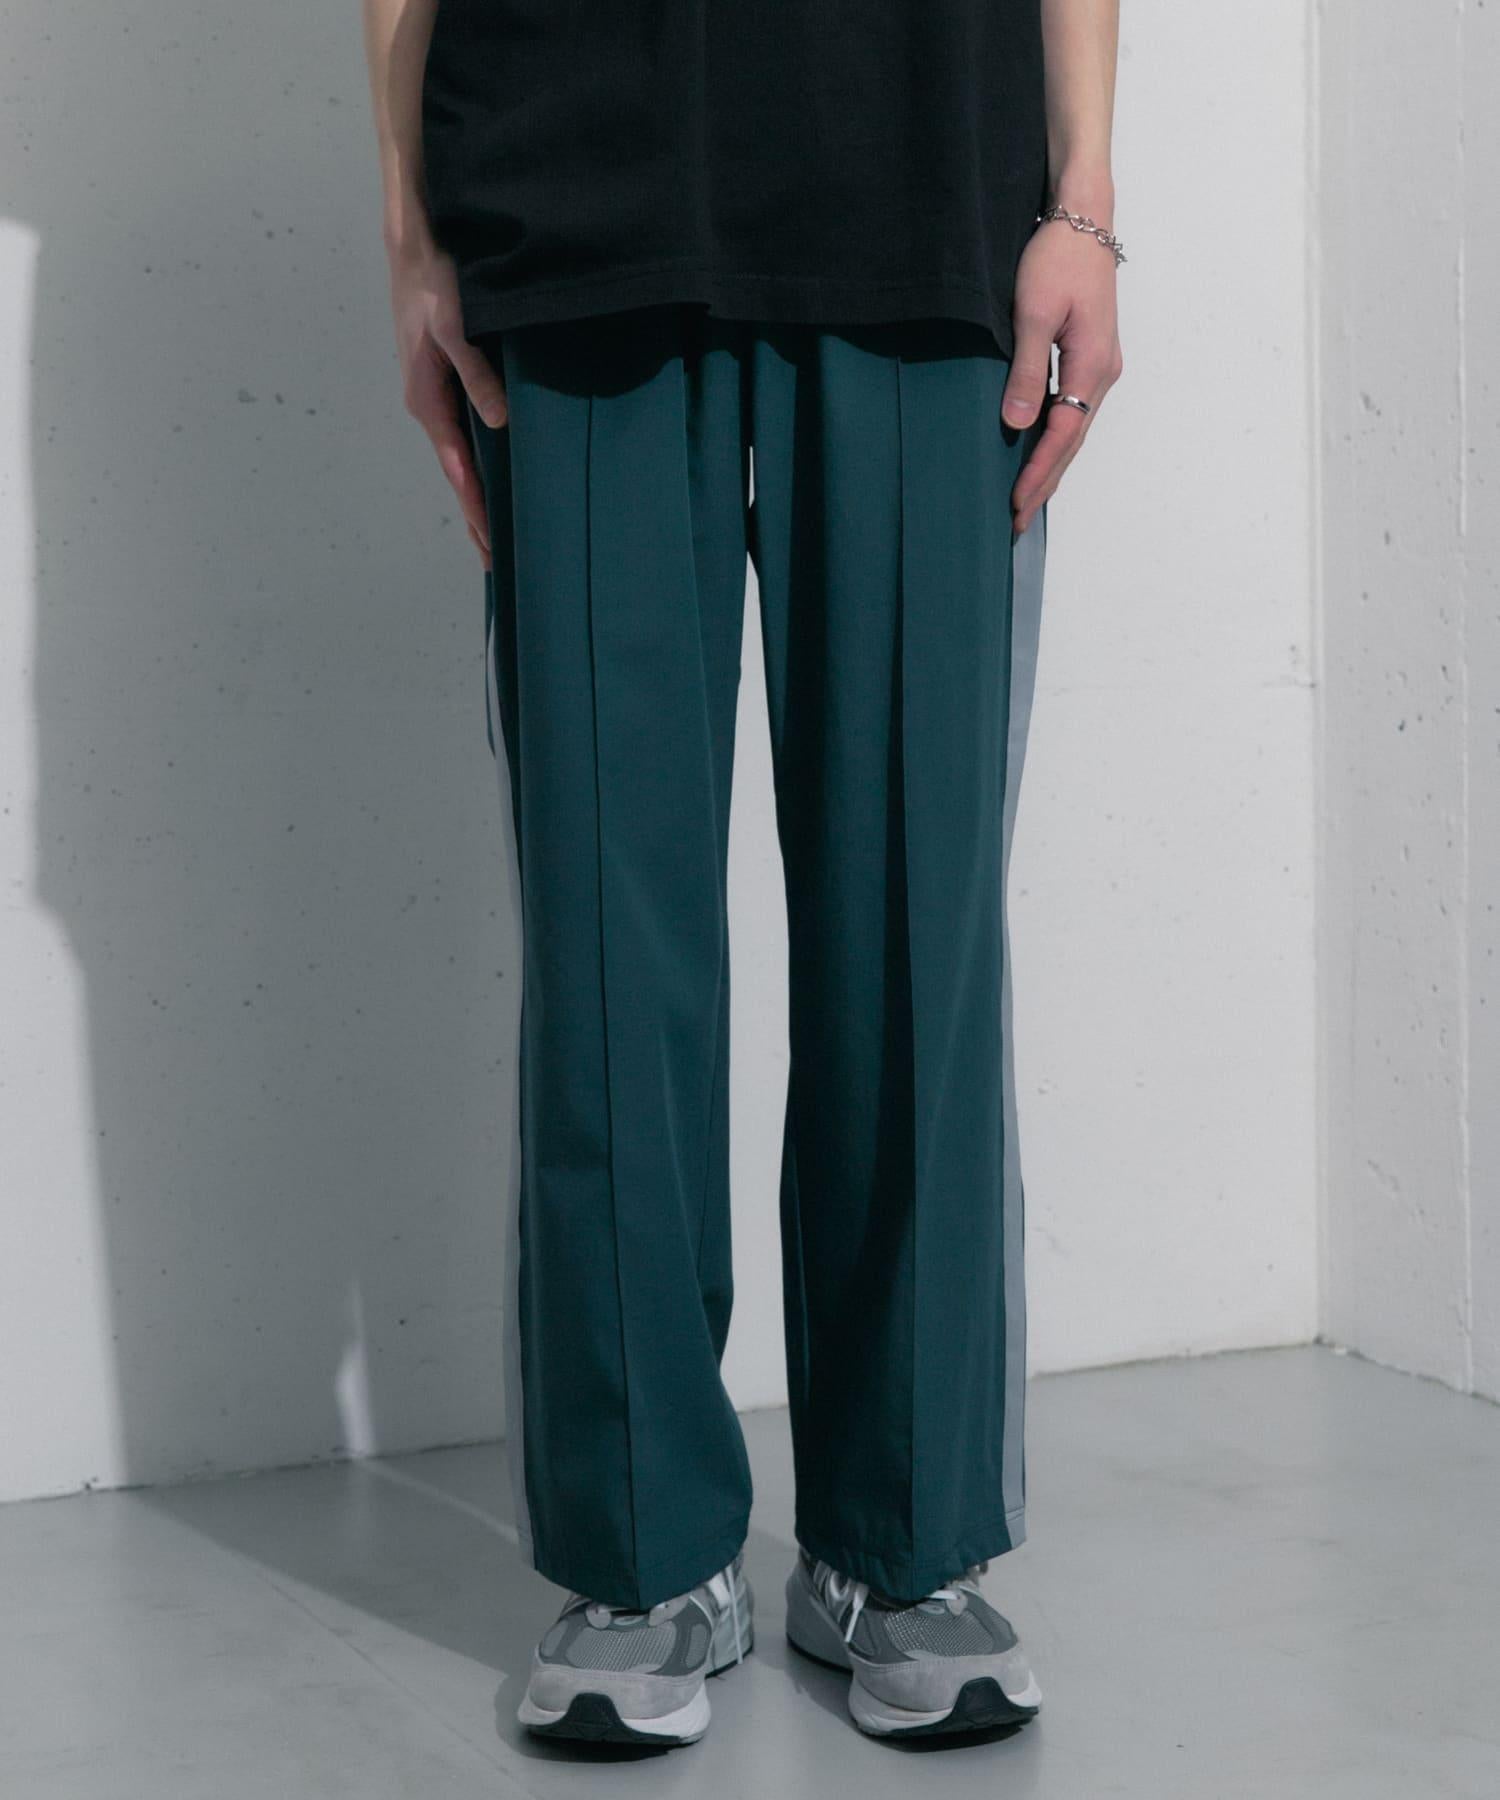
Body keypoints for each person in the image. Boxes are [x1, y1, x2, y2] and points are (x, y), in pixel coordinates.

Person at [362, 0, 1122, 1748]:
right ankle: (642, 1556)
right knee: (605, 930)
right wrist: (411, 233)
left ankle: (901, 1544)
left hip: (928, 191)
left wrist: (1084, 196)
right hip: (570, 192)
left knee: (917, 919)